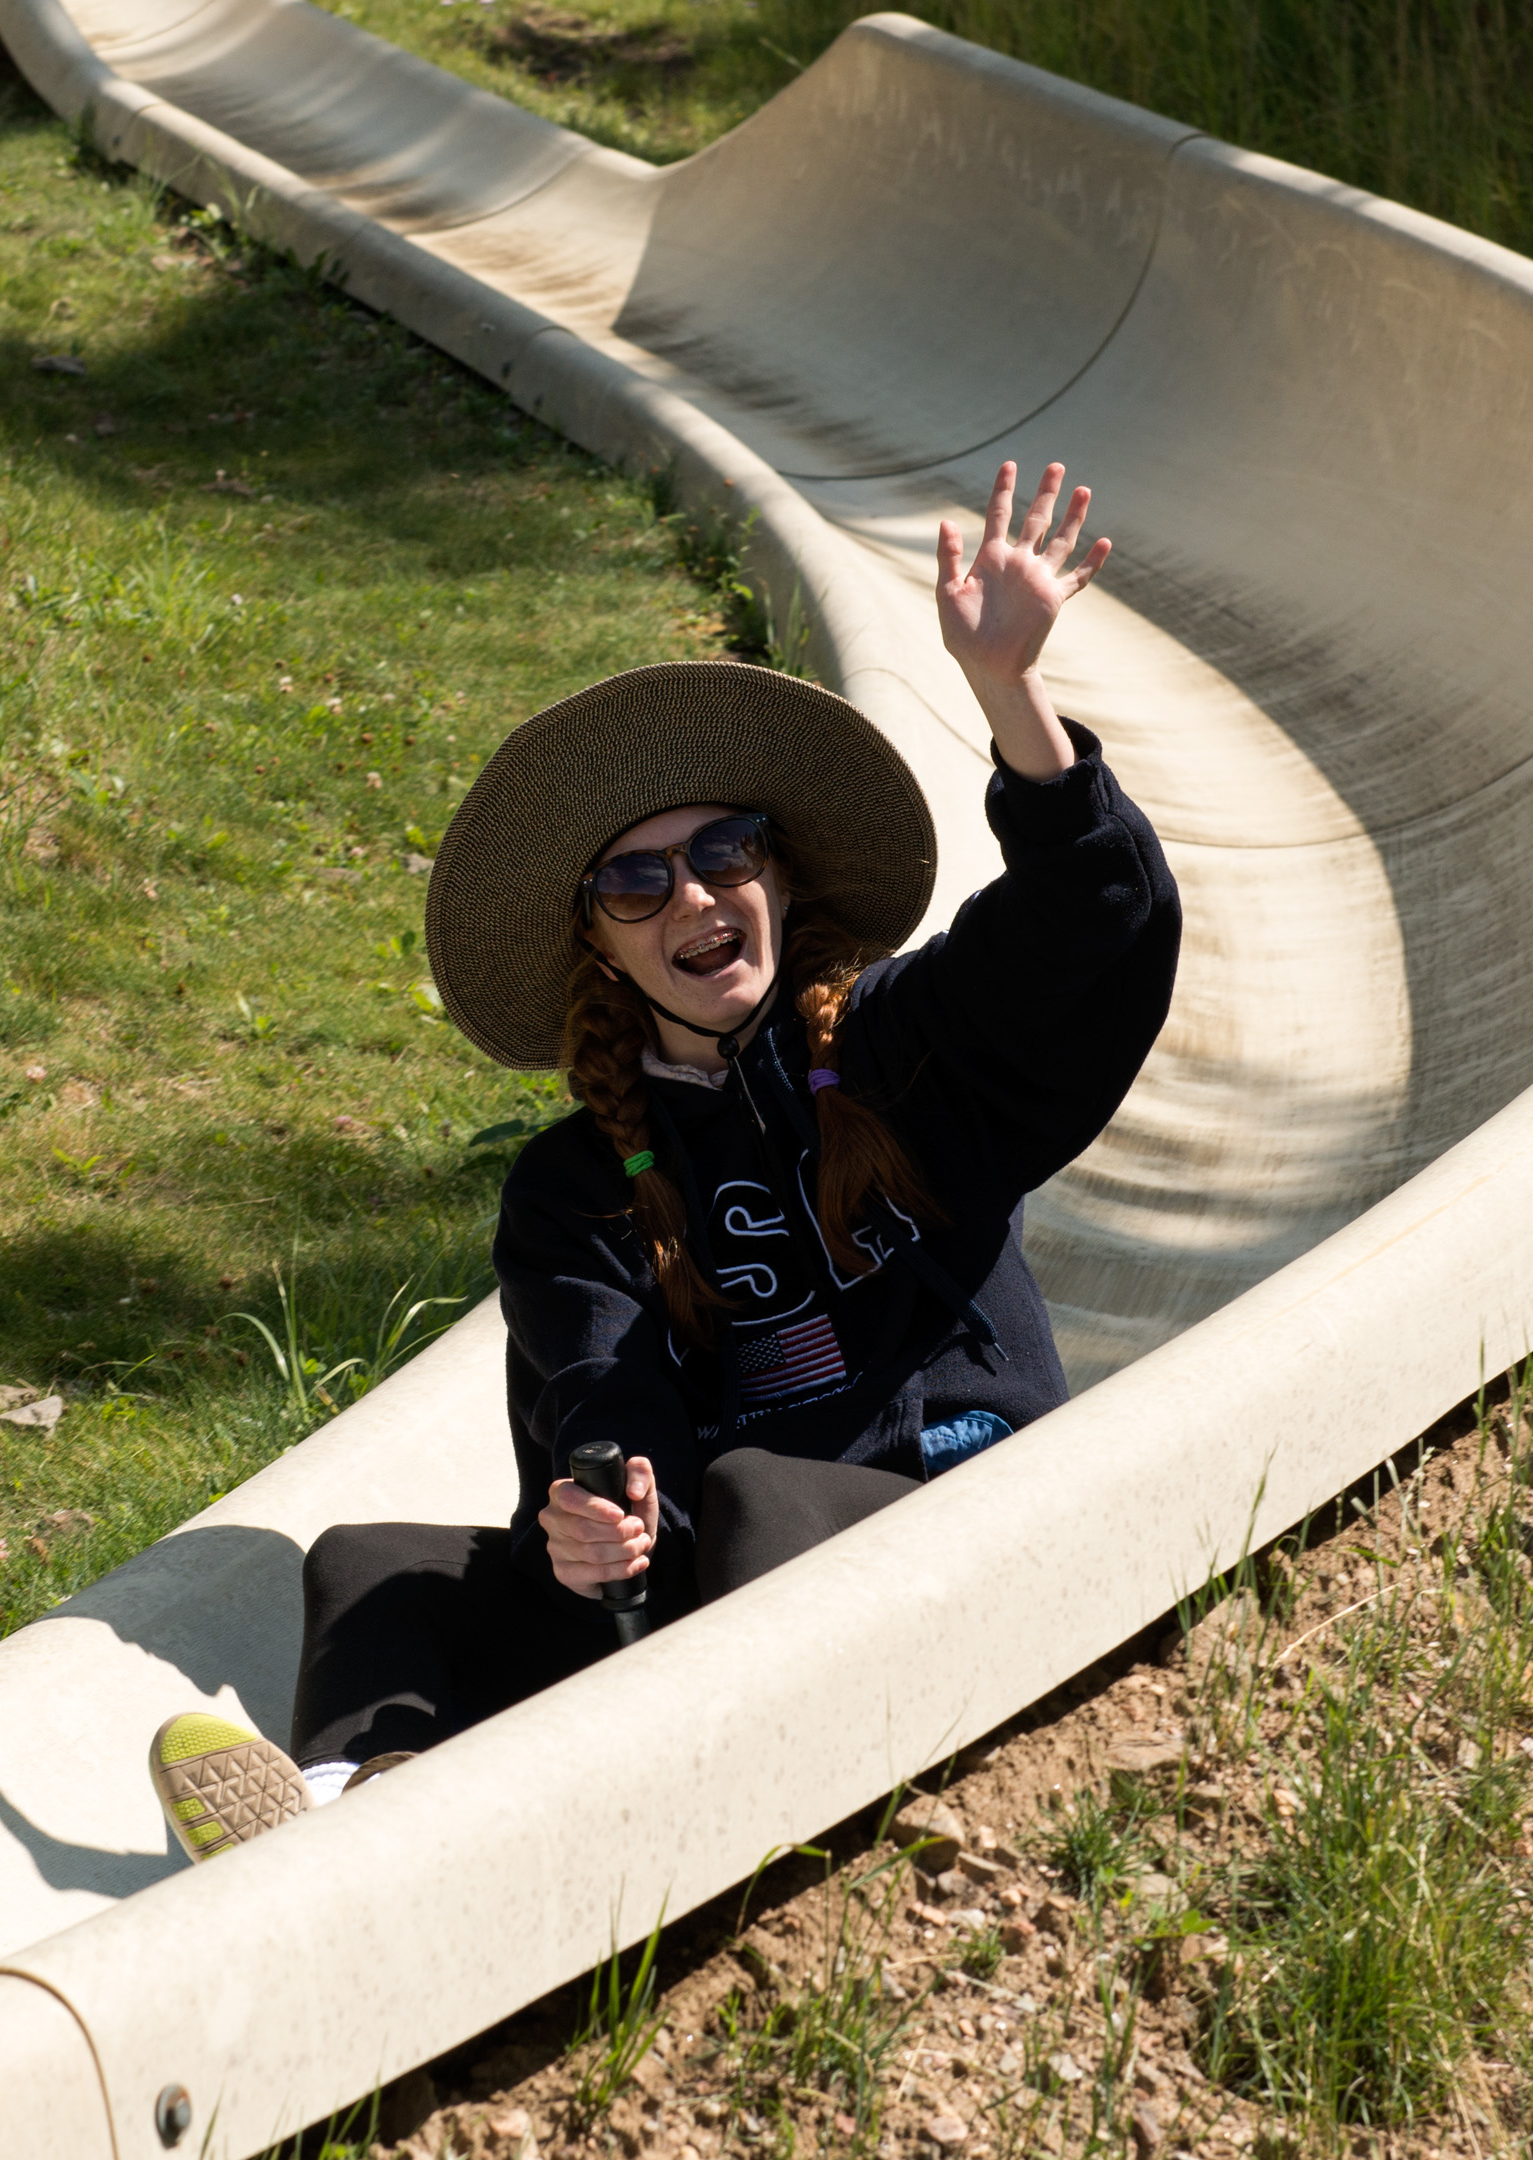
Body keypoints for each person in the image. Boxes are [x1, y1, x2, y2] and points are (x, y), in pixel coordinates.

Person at [148, 462, 1181, 1864]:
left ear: (781, 876)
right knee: (375, 1565)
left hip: (963, 1521)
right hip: (720, 1586)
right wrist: (604, 1517)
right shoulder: (575, 1189)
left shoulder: (903, 1046)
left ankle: (696, 1833)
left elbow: (1094, 924)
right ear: (600, 943)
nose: (693, 893)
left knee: (761, 1492)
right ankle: (354, 1826)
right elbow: (601, 1389)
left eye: (724, 851)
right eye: (638, 882)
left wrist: (1012, 695)